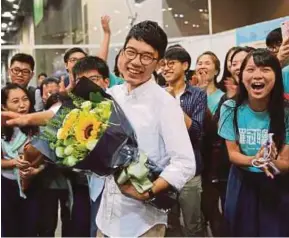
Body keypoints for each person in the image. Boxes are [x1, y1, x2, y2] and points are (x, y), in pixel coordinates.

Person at [95, 20, 196, 237]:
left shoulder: (165, 103)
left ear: (158, 63)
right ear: (122, 52)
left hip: (143, 222)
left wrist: (149, 190)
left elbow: (185, 162)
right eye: (131, 52)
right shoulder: (111, 96)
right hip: (106, 216)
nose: (136, 62)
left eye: (147, 56)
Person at [218, 49, 289, 236]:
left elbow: (286, 163)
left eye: (265, 69)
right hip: (241, 184)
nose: (257, 75)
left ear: (277, 76)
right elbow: (232, 154)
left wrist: (270, 162)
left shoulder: (286, 112)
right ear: (241, 77)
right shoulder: (230, 108)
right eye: (250, 69)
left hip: (275, 185)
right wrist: (254, 160)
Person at [161, 46, 207, 236]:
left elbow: (196, 132)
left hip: (190, 171)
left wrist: (172, 104)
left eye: (171, 64)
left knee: (192, 224)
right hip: (163, 170)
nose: (166, 68)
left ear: (185, 65)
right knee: (168, 224)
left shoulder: (197, 94)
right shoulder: (157, 93)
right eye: (163, 65)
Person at [1, 84, 44, 237]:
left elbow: (46, 159)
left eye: (25, 99)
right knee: (9, 229)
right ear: (4, 106)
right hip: (6, 186)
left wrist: (36, 170)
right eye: (15, 101)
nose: (22, 105)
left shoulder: (37, 125)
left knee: (30, 229)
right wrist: (13, 163)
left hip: (32, 185)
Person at [72, 56, 108, 237]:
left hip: (129, 189)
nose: (88, 86)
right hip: (96, 186)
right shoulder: (75, 111)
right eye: (81, 81)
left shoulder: (120, 104)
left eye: (93, 79)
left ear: (106, 82)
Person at [195, 51, 224, 116]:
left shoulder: (223, 97)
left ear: (216, 71)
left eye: (207, 63)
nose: (202, 66)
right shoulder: (188, 95)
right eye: (199, 64)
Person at [266, 27, 289, 94]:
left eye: (278, 44)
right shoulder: (267, 64)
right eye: (271, 47)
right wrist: (278, 61)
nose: (275, 50)